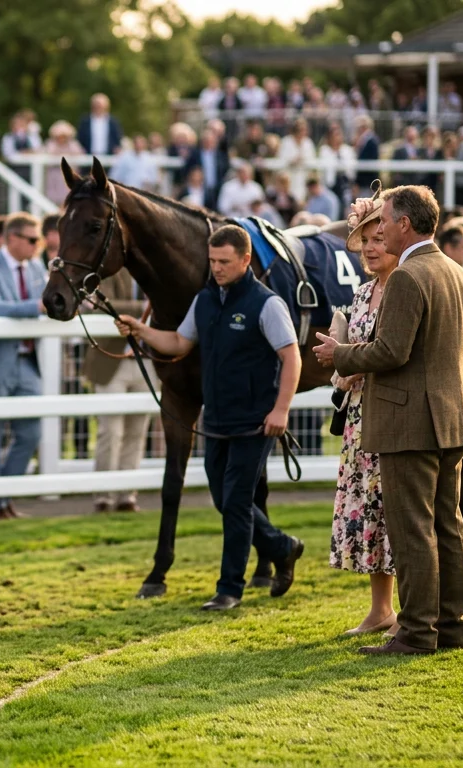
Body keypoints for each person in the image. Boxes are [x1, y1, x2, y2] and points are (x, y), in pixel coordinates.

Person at [314, 184, 463, 655]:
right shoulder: (457, 273)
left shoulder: (409, 277)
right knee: (447, 529)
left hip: (410, 424)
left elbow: (390, 352)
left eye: (384, 221)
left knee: (412, 533)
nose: (379, 228)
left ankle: (415, 632)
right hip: (452, 419)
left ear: (404, 224)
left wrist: (340, 353)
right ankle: (451, 628)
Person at [116, 224, 305, 611]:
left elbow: (291, 357)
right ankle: (284, 547)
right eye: (212, 261)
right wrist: (141, 330)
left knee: (235, 502)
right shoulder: (205, 300)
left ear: (245, 260)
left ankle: (229, 589)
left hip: (256, 420)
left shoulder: (267, 304)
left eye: (224, 262)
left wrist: (281, 409)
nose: (216, 268)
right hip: (216, 420)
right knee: (223, 499)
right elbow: (179, 342)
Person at [329, 195, 399, 635]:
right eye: (364, 241)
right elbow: (350, 358)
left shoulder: (405, 287)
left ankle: (408, 612)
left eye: (378, 239)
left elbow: (392, 354)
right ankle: (380, 610)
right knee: (370, 514)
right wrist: (339, 362)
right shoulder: (361, 292)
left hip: (391, 416)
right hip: (357, 421)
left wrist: (350, 358)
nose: (371, 248)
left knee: (396, 513)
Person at [0, 213, 46, 520]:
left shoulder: (38, 268)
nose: (35, 246)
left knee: (31, 431)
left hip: (27, 361)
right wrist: (38, 307)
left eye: (37, 240)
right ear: (12, 238)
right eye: (31, 240)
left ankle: (1, 496)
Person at [85, 266, 148, 514]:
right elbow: (105, 305)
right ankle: (103, 495)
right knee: (110, 430)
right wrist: (145, 311)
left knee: (137, 430)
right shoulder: (107, 271)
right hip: (111, 361)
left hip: (146, 359)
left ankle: (127, 495)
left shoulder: (152, 266)